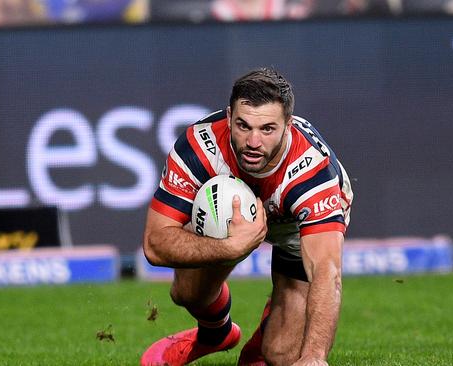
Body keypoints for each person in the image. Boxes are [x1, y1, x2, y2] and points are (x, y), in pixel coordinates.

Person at [141, 67, 353, 366]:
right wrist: (229, 248)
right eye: (243, 126)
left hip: (294, 227)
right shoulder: (199, 146)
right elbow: (154, 243)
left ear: (287, 125)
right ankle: (216, 334)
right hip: (230, 219)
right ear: (229, 117)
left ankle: (262, 344)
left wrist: (315, 357)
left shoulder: (313, 174)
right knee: (187, 293)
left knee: (280, 354)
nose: (253, 141)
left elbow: (326, 272)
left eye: (267, 129)